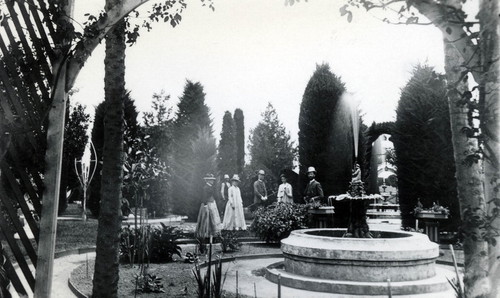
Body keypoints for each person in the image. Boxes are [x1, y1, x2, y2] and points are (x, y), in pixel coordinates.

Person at [195, 174, 222, 239]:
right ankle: (207, 232)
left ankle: (213, 232)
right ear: (208, 180)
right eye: (211, 180)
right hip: (208, 203)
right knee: (208, 217)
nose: (212, 181)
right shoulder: (206, 187)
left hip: (212, 202)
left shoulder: (210, 187)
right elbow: (204, 196)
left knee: (213, 217)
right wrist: (205, 204)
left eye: (213, 180)